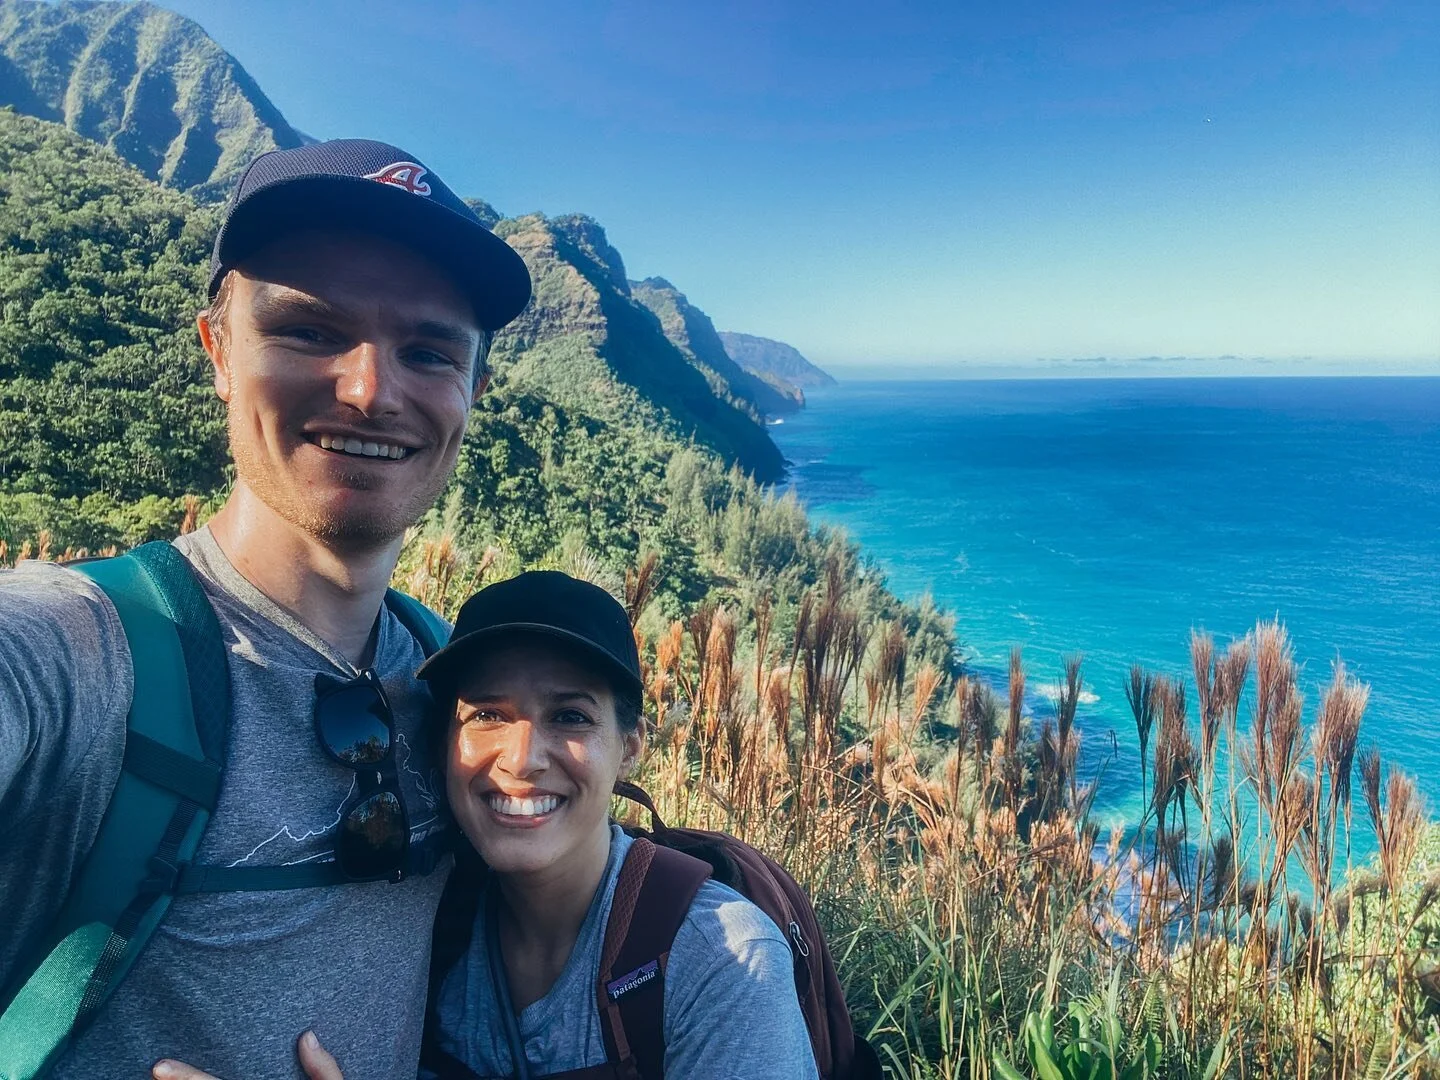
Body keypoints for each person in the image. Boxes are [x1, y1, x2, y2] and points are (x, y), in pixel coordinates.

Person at [0, 138, 531, 1077]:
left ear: (473, 393)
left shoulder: (464, 693)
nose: (371, 391)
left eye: (428, 351)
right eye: (309, 331)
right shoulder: (75, 650)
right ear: (218, 349)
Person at [417, 571, 819, 1078]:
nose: (521, 761)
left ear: (630, 748)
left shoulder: (722, 962)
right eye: (487, 715)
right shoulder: (424, 922)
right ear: (443, 743)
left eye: (569, 716)